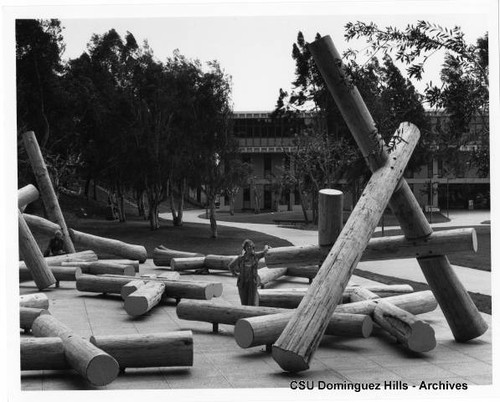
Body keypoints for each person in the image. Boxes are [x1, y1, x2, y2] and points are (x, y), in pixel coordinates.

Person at [228, 239, 270, 306]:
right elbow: (230, 266)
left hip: (252, 282)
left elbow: (265, 252)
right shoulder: (240, 258)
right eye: (247, 246)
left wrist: (266, 246)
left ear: (253, 247)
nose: (249, 248)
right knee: (244, 302)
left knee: (252, 302)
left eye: (251, 246)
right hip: (242, 282)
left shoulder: (256, 256)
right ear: (245, 248)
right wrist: (235, 274)